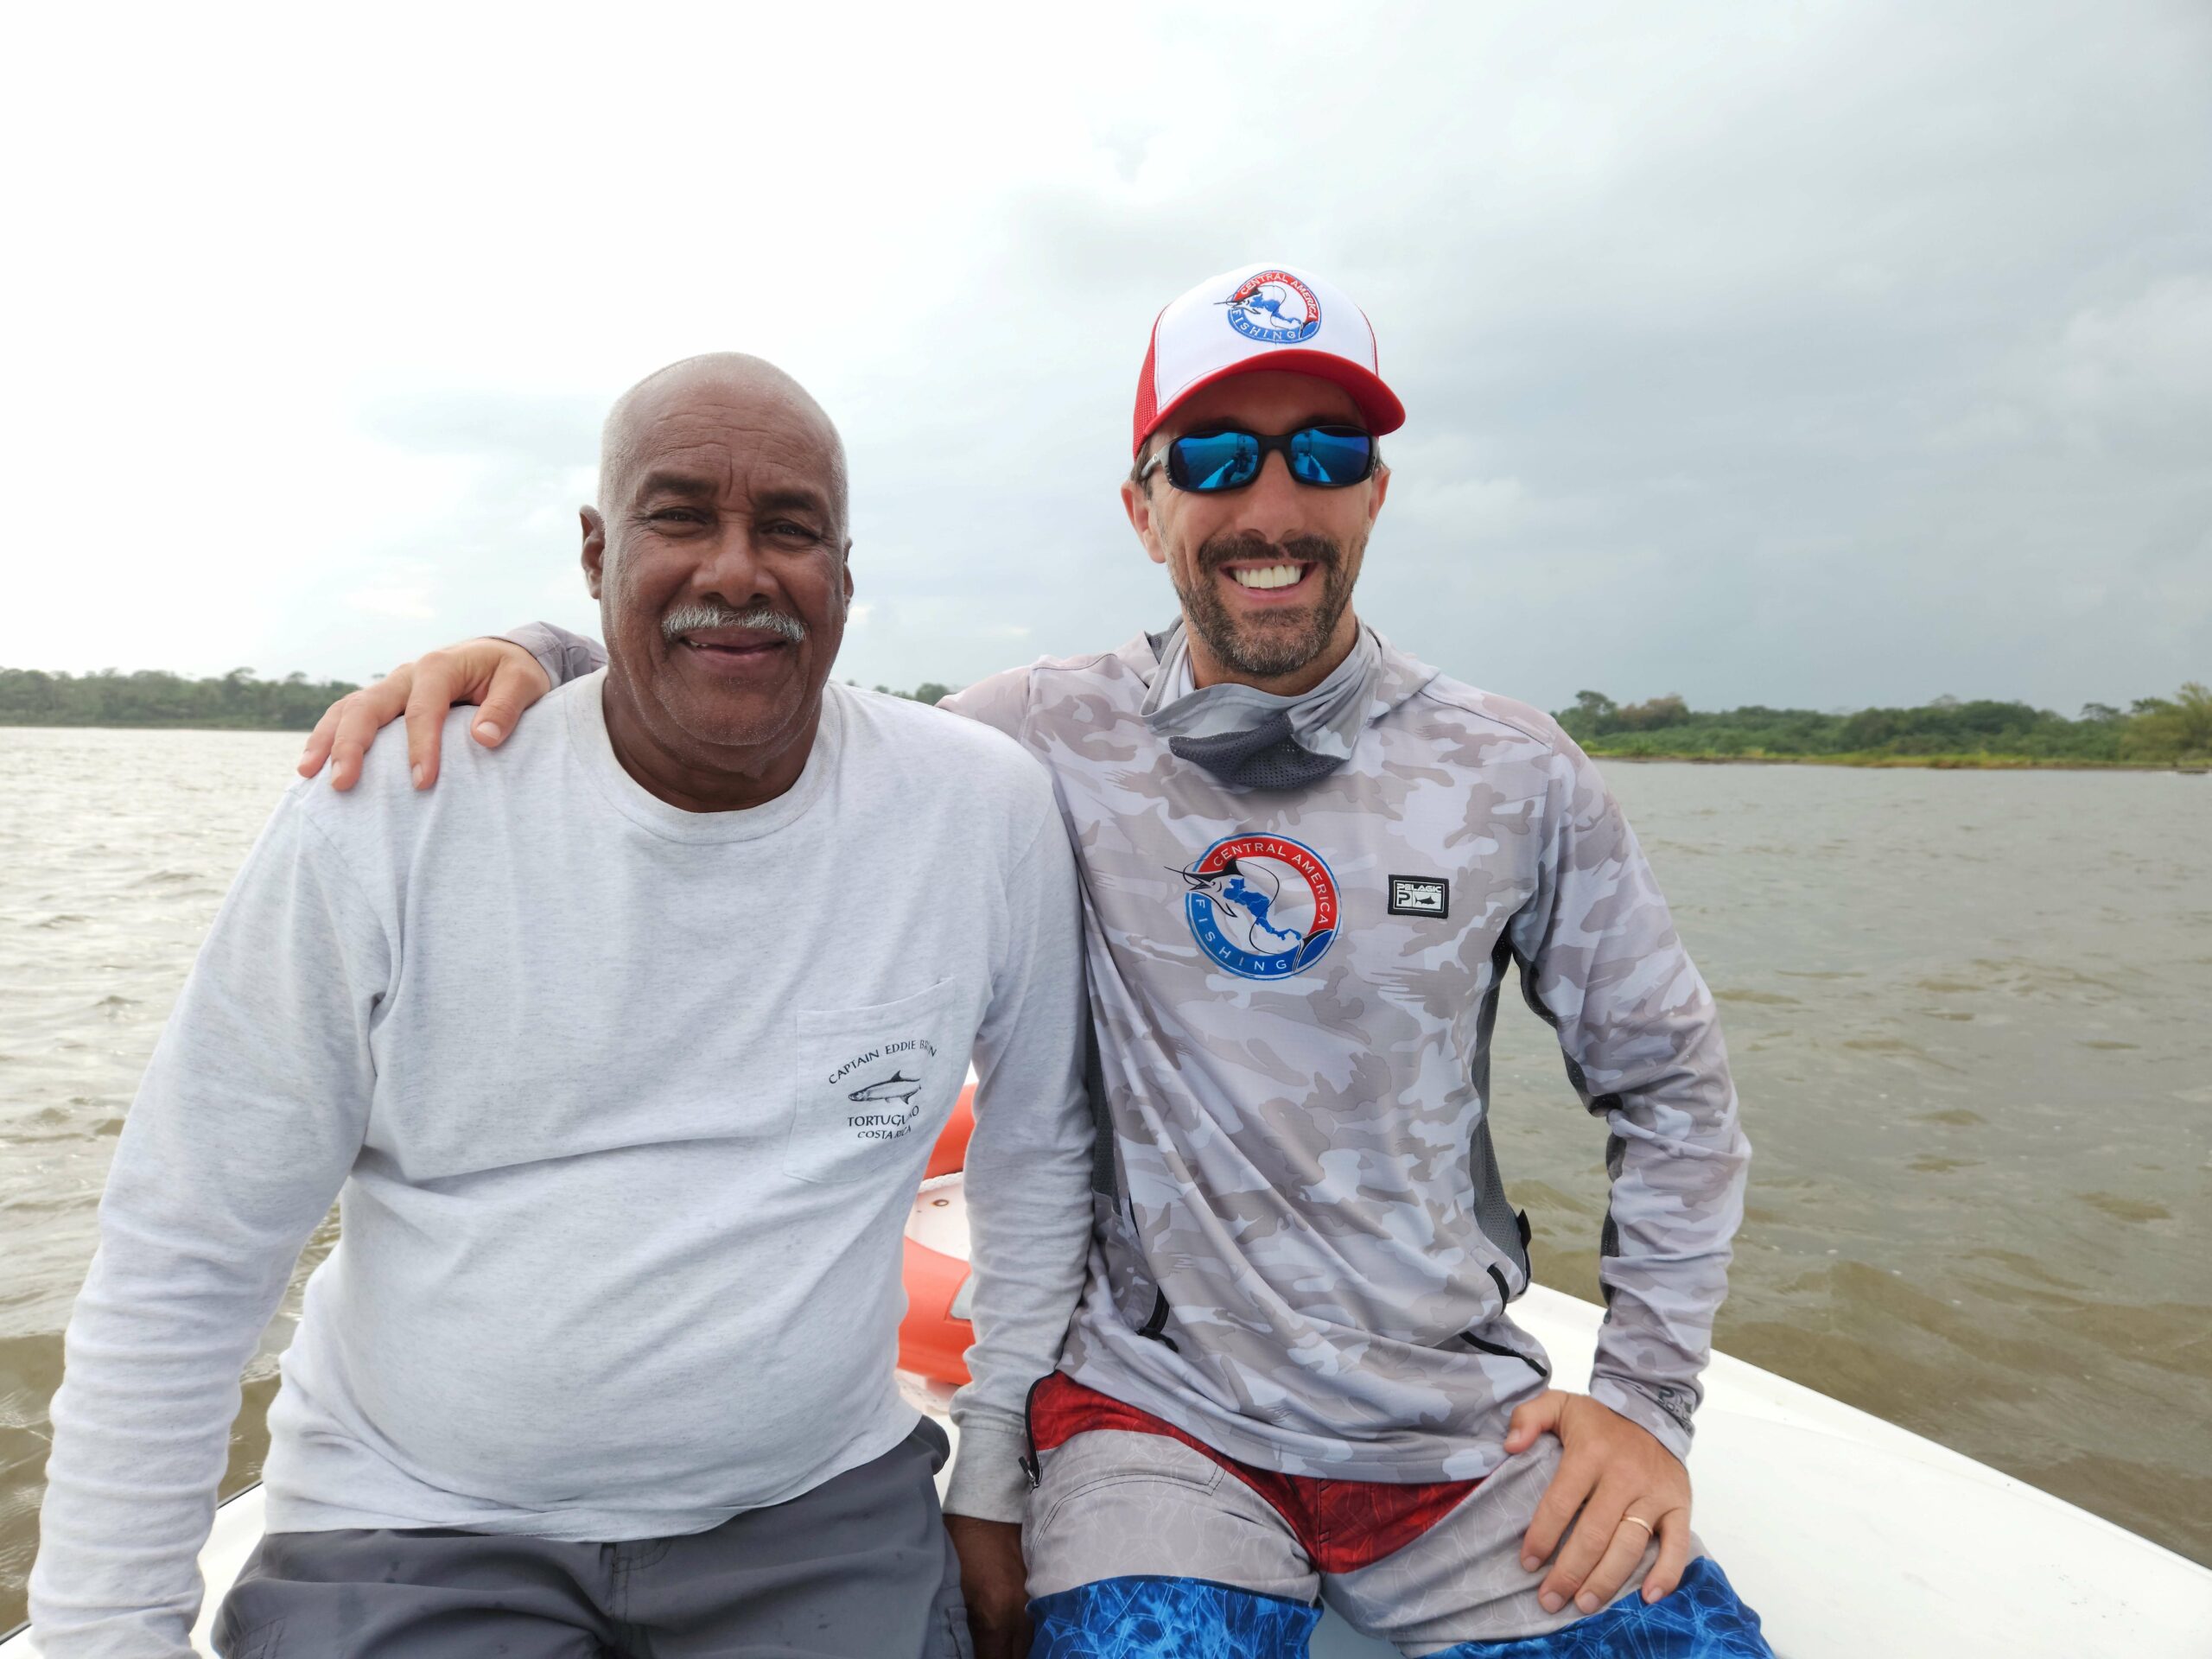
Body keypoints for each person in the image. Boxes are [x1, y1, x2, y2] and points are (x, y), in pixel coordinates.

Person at [306, 264, 1774, 1656]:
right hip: (1158, 1432)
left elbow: (1673, 1093)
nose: (1271, 505)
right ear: (1145, 510)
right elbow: (764, 685)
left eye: (1323, 455)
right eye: (1211, 460)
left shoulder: (1518, 773)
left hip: (1459, 1434)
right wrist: (539, 655)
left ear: (1376, 494)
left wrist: (1645, 1402)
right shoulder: (1032, 736)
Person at [29, 354, 1095, 1659]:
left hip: (814, 1510)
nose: (738, 569)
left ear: (846, 575)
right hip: (415, 1523)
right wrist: (105, 1636)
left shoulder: (978, 811)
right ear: (596, 554)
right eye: (681, 515)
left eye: (790, 528)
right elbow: (188, 1246)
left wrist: (993, 1477)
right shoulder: (390, 808)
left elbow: (1042, 1161)